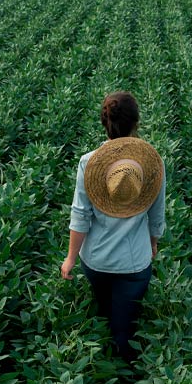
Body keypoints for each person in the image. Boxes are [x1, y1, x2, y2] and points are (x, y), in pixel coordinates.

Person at [60, 91, 167, 363]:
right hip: (133, 264)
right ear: (136, 123)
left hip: (95, 261)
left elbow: (80, 215)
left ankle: (99, 368)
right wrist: (153, 242)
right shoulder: (151, 164)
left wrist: (71, 258)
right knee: (126, 323)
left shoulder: (89, 162)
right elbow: (156, 215)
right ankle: (127, 371)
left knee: (104, 312)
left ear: (104, 122)